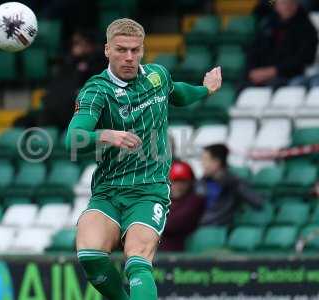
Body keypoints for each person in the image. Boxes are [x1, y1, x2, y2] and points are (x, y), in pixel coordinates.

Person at [65, 18, 222, 300]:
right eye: (121, 49)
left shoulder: (157, 76)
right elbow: (72, 138)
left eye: (135, 50)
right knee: (89, 254)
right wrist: (106, 135)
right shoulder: (96, 91)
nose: (129, 57)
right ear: (106, 50)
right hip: (108, 191)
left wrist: (205, 89)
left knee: (137, 258)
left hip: (149, 190)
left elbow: (177, 93)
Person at [246, 0, 318, 87]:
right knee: (244, 85)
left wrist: (274, 71)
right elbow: (254, 52)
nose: (287, 7)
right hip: (262, 74)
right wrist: (253, 72)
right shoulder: (268, 25)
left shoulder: (306, 28)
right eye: (283, 3)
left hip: (290, 76)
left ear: (296, 5)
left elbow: (304, 59)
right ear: (276, 5)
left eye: (290, 3)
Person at [198, 144, 262, 225]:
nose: (202, 164)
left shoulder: (234, 182)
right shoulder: (200, 183)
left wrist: (233, 184)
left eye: (205, 160)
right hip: (197, 227)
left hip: (218, 230)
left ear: (216, 162)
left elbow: (257, 201)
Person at [160, 160, 205, 252]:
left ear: (191, 182)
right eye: (174, 181)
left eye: (183, 182)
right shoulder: (162, 200)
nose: (178, 186)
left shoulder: (195, 201)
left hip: (178, 251)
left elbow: (172, 224)